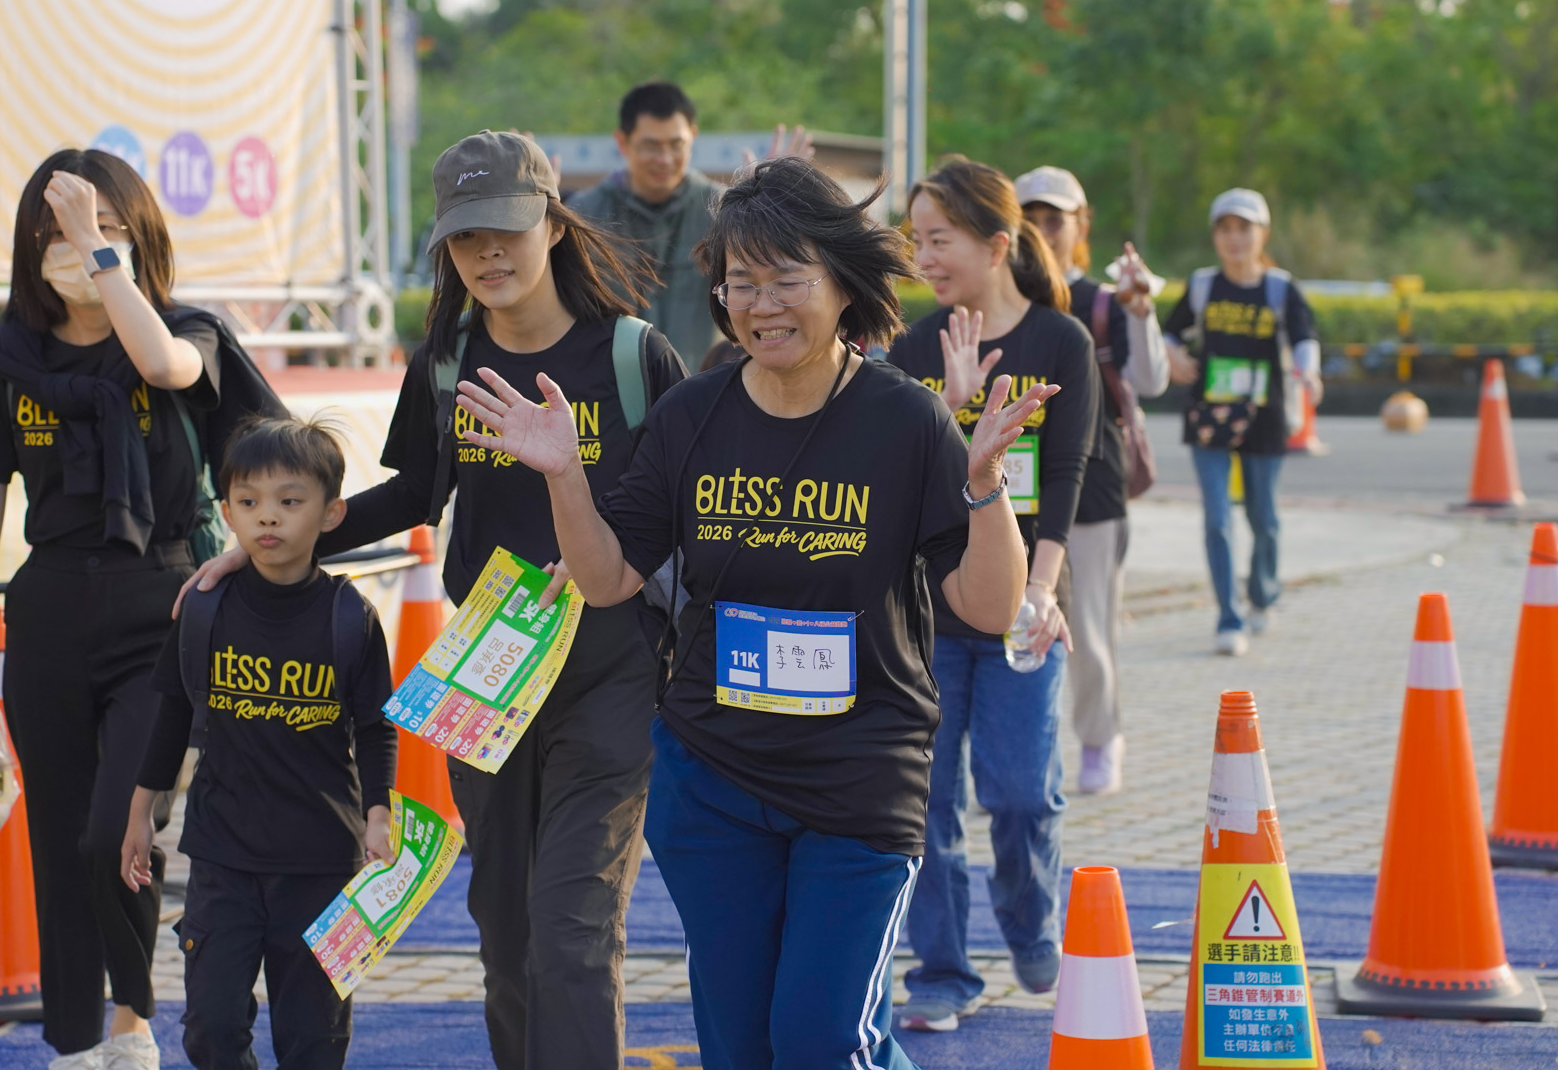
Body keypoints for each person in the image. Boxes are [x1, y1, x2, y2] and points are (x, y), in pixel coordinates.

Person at [459, 157, 1055, 1069]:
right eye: (742, 282)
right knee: (740, 1047)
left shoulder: (906, 422)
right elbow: (608, 579)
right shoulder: (691, 415)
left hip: (857, 783)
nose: (762, 305)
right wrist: (566, 475)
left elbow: (987, 605)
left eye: (787, 280)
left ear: (843, 285)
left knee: (821, 1040)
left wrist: (987, 491)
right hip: (714, 780)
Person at [181, 130, 684, 1070]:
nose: (487, 254)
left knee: (573, 930)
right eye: (465, 238)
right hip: (485, 674)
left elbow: (681, 501)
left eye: (506, 231)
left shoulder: (631, 355)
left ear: (553, 226)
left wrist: (606, 551)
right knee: (505, 927)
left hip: (607, 668)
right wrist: (271, 542)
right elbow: (415, 493)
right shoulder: (448, 359)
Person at [0, 149, 281, 1070]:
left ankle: (132, 1020)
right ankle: (74, 1041)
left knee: (117, 827)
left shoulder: (185, 334)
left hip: (160, 604)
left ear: (136, 243)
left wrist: (100, 256)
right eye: (53, 233)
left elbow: (164, 365)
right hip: (49, 607)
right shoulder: (7, 363)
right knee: (58, 839)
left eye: (99, 230)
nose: (73, 248)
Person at [884, 158, 1100, 1032]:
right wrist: (951, 408)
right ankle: (942, 970)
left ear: (998, 244)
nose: (924, 257)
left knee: (1018, 792)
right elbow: (901, 484)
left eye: (940, 239)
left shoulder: (1061, 342)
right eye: (917, 240)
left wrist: (1039, 592)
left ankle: (1030, 919)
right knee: (927, 799)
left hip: (1023, 608)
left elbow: (1067, 474)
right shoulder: (912, 349)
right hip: (930, 612)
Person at [122, 415, 396, 1070]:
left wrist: (379, 814)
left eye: (289, 501)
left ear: (331, 514)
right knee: (210, 1029)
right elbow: (171, 714)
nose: (267, 517)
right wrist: (139, 813)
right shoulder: (205, 608)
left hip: (322, 862)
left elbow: (374, 726)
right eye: (248, 503)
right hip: (224, 857)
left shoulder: (351, 617)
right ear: (227, 512)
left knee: (314, 1041)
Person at [1014, 165, 1168, 795]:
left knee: (1091, 627)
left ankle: (1100, 741)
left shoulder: (1102, 303)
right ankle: (1022, 755)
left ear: (1081, 226)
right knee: (1015, 624)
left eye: (1055, 219)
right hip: (1015, 488)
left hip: (1093, 487)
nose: (1042, 231)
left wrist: (1141, 311)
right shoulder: (1000, 299)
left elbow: (1152, 380)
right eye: (1029, 219)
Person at [1160, 188, 1322, 656]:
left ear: (1262, 234)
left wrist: (1308, 372)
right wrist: (1173, 356)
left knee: (1263, 517)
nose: (1235, 239)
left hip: (1264, 417)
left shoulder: (1280, 289)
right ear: (1215, 236)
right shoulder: (1202, 286)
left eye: (1244, 229)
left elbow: (1304, 336)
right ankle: (1228, 617)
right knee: (1217, 518)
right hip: (1210, 416)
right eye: (1225, 229)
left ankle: (1263, 595)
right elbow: (1169, 332)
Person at [569, 81, 813, 371]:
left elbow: (779, 265)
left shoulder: (722, 210)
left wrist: (770, 201)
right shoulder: (584, 216)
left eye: (676, 145)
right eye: (651, 146)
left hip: (703, 381)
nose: (665, 159)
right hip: (615, 382)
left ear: (693, 137)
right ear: (622, 142)